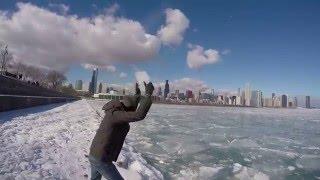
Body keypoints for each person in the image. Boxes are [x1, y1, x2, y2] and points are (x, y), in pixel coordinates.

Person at [89, 82, 154, 180]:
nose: (132, 112)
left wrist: (137, 94)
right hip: (101, 158)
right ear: (127, 109)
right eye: (131, 109)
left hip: (95, 154)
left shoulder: (115, 111)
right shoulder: (117, 115)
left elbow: (131, 106)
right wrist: (148, 94)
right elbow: (138, 114)